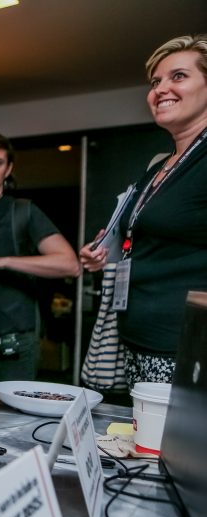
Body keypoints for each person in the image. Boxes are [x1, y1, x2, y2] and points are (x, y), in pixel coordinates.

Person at [80, 34, 207, 386]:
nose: (160, 89)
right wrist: (106, 255)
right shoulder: (159, 167)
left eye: (178, 76)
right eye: (155, 81)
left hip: (185, 347)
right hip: (139, 341)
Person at [0, 132, 80, 386]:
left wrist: (1, 261)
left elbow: (70, 264)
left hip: (10, 341)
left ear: (8, 168)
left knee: (11, 422)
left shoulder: (22, 211)